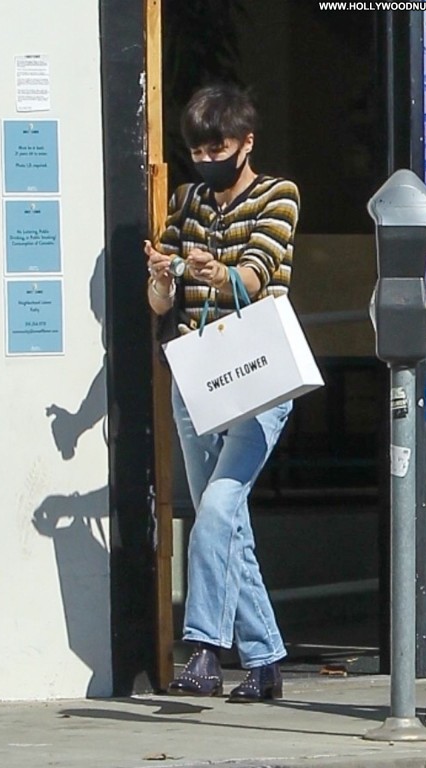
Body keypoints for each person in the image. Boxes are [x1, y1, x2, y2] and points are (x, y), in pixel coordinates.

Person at [144, 83, 300, 702]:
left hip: (260, 376)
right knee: (228, 522)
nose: (208, 160)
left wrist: (219, 272)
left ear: (246, 142)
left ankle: (205, 650)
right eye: (199, 151)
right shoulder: (186, 201)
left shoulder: (278, 195)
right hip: (195, 377)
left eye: (219, 149)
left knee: (215, 508)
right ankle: (264, 663)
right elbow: (163, 301)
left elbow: (257, 276)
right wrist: (163, 277)